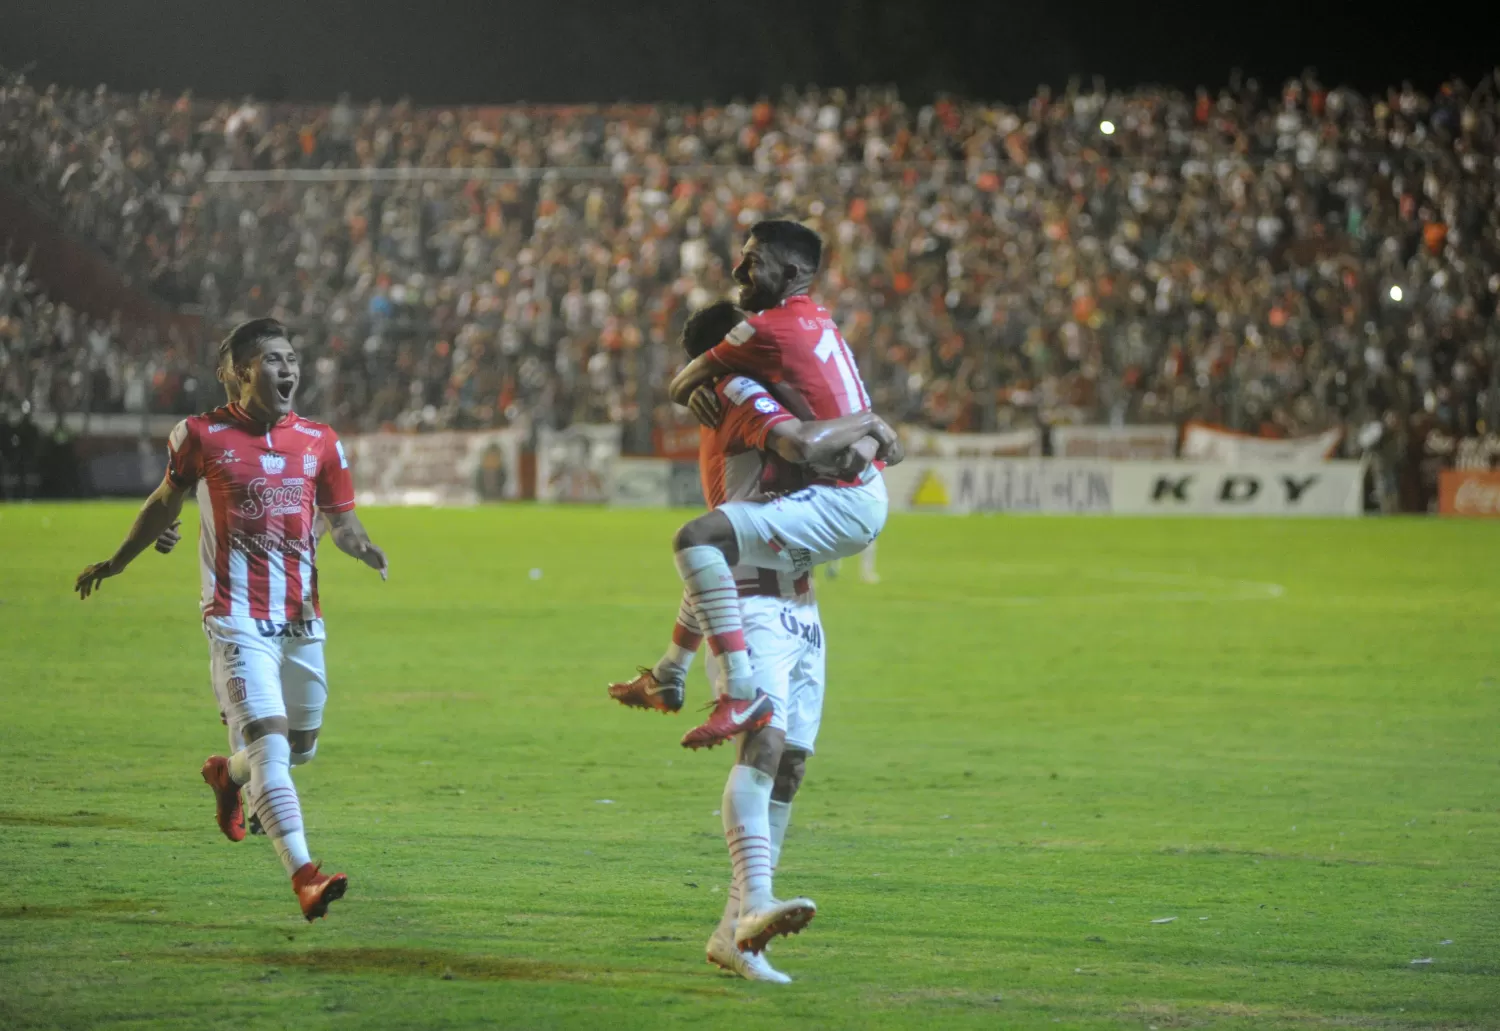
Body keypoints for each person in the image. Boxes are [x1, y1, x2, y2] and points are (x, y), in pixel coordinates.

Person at [611, 301, 899, 975]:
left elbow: (723, 540)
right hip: (758, 608)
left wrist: (672, 660)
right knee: (763, 745)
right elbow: (805, 449)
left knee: (790, 763)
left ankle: (730, 934)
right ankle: (757, 901)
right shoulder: (738, 392)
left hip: (798, 606)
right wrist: (871, 425)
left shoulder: (746, 391)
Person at [74, 317, 388, 921]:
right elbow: (163, 503)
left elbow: (342, 519)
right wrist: (117, 562)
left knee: (299, 748)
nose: (288, 368)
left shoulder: (320, 440)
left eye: (292, 358)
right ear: (243, 372)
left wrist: (361, 546)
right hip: (234, 617)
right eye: (273, 359)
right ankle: (305, 875)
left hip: (300, 619)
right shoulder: (201, 435)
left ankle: (227, 776)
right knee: (271, 745)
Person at [663, 221, 891, 750]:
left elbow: (803, 445)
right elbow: (856, 435)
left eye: (751, 261)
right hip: (814, 558)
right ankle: (676, 673)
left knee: (699, 541)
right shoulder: (820, 323)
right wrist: (873, 430)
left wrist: (691, 386)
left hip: (814, 541)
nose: (738, 270)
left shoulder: (755, 345)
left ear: (788, 271)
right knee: (782, 760)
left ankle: (730, 687)